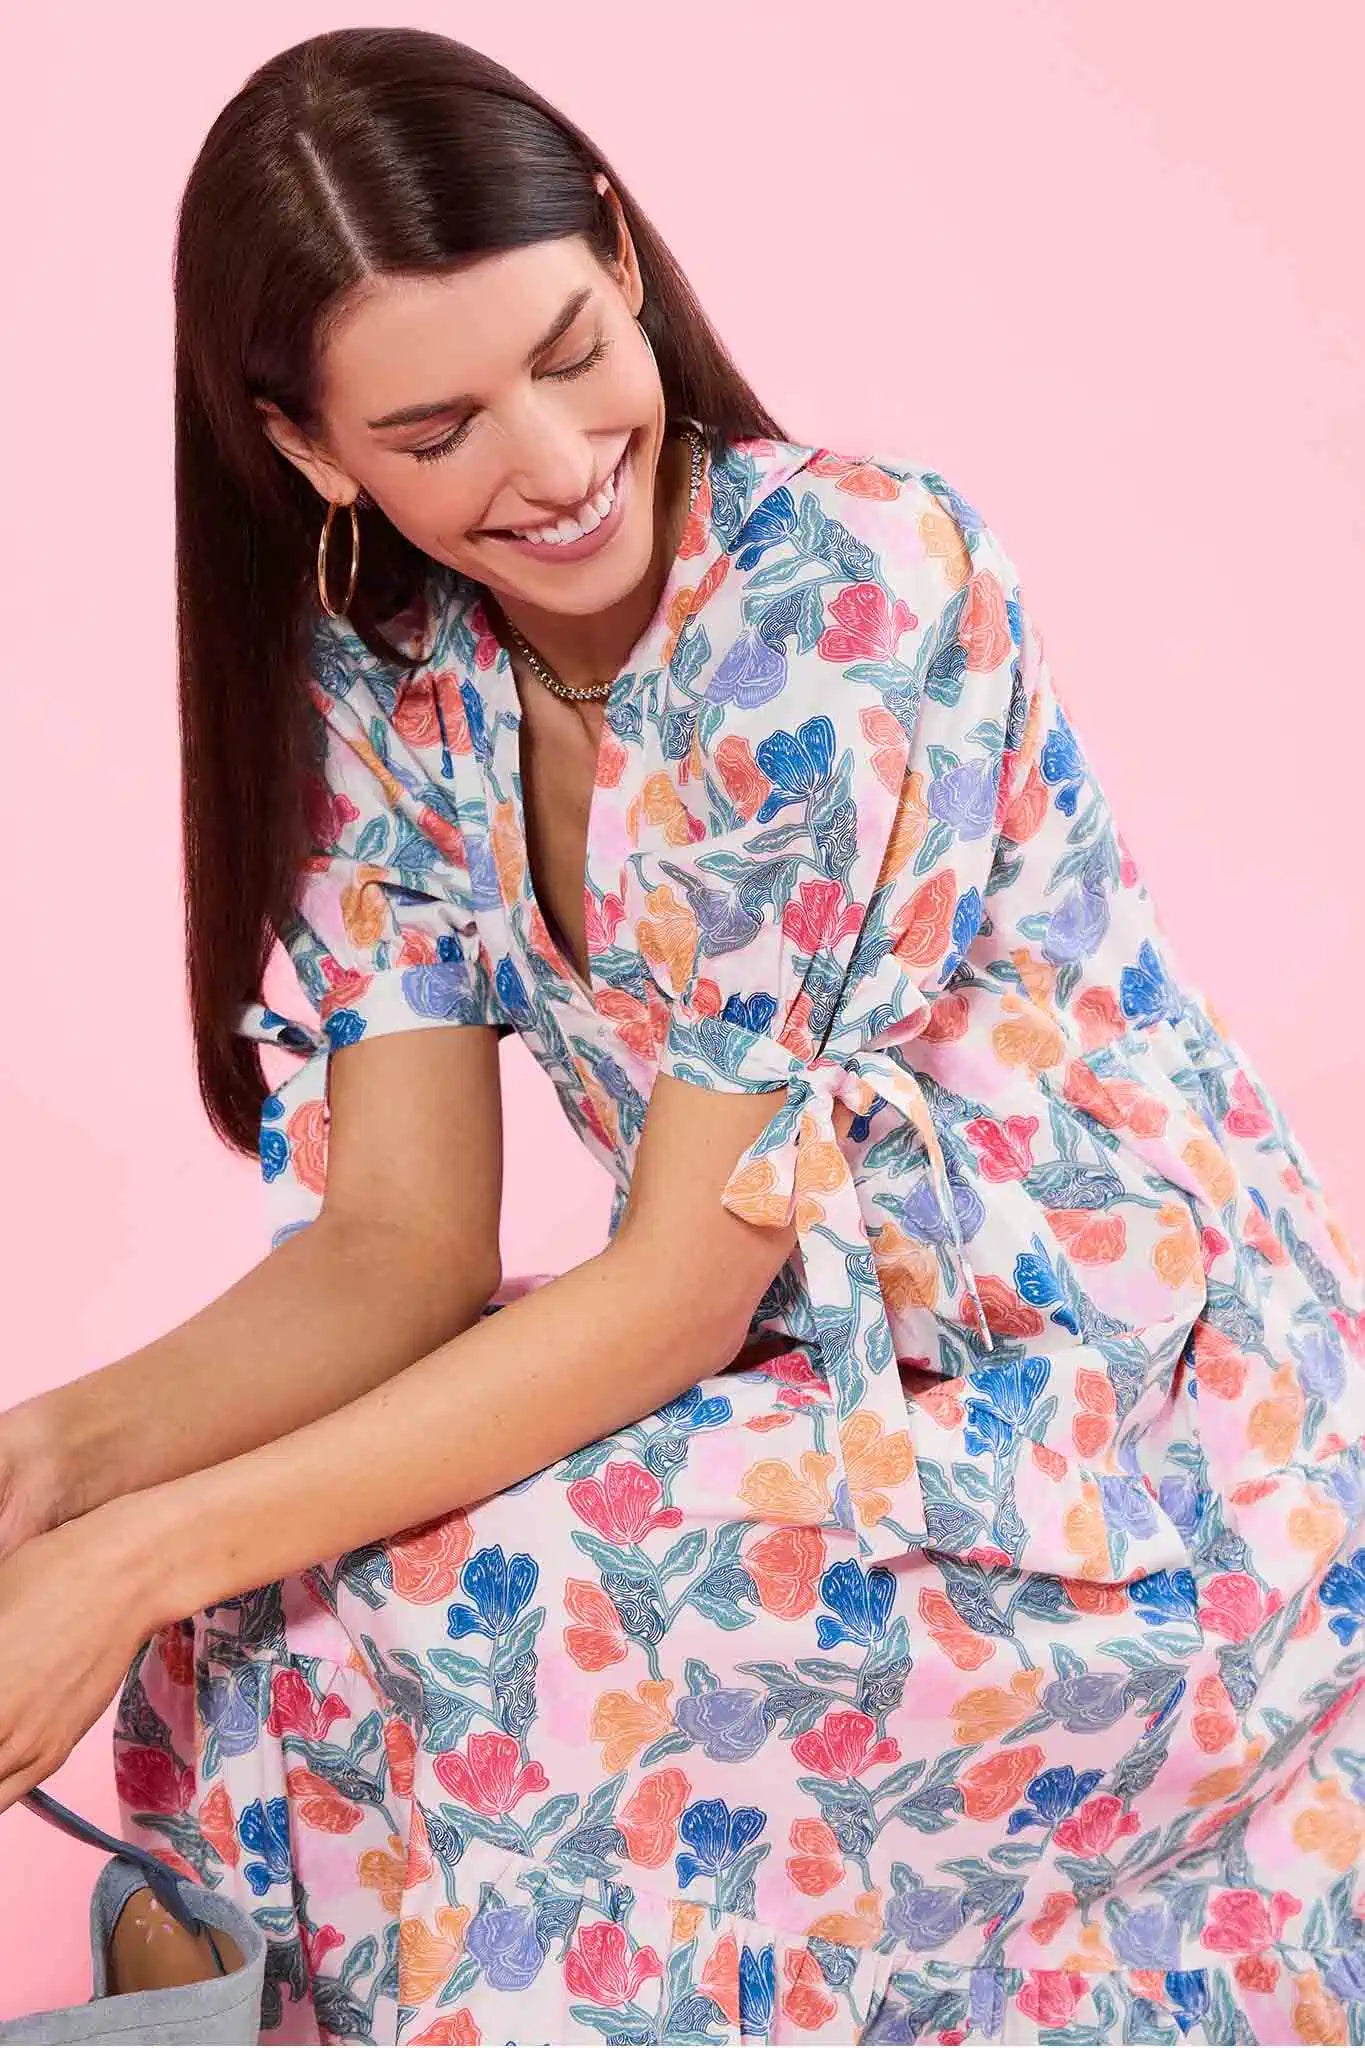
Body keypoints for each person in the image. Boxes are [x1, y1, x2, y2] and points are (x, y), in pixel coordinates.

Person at [2, 23, 1363, 2047]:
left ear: (623, 260)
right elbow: (400, 1246)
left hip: (1131, 1427)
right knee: (259, 1574)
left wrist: (124, 1557)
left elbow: (662, 1294)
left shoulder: (843, 589)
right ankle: (267, 1959)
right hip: (824, 1365)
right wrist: (53, 1462)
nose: (547, 468)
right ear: (307, 450)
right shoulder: (389, 676)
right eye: (438, 425)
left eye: (567, 352)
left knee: (464, 1601)